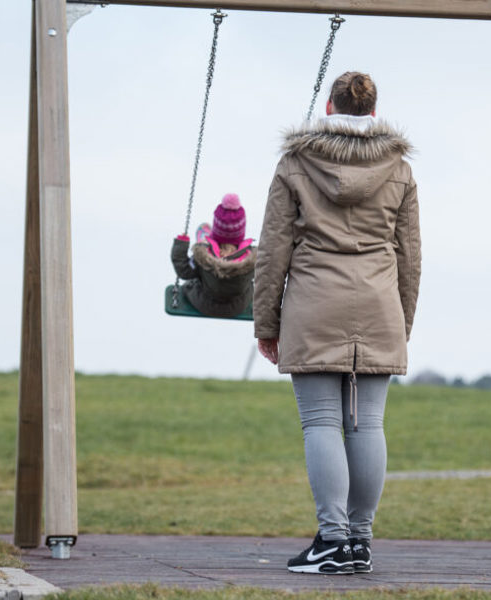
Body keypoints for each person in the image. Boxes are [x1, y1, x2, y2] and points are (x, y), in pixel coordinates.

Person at [254, 71, 421, 575]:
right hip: (379, 304)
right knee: (368, 423)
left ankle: (332, 540)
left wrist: (266, 322)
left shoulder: (296, 162)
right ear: (373, 115)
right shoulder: (400, 169)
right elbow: (409, 256)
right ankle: (359, 542)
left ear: (328, 109)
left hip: (313, 302)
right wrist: (401, 322)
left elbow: (273, 250)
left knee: (322, 422)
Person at [171, 193, 256, 318]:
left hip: (205, 304)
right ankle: (216, 244)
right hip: (238, 306)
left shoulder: (204, 258)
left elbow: (184, 271)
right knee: (249, 283)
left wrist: (181, 244)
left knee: (196, 278)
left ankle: (206, 242)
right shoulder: (252, 260)